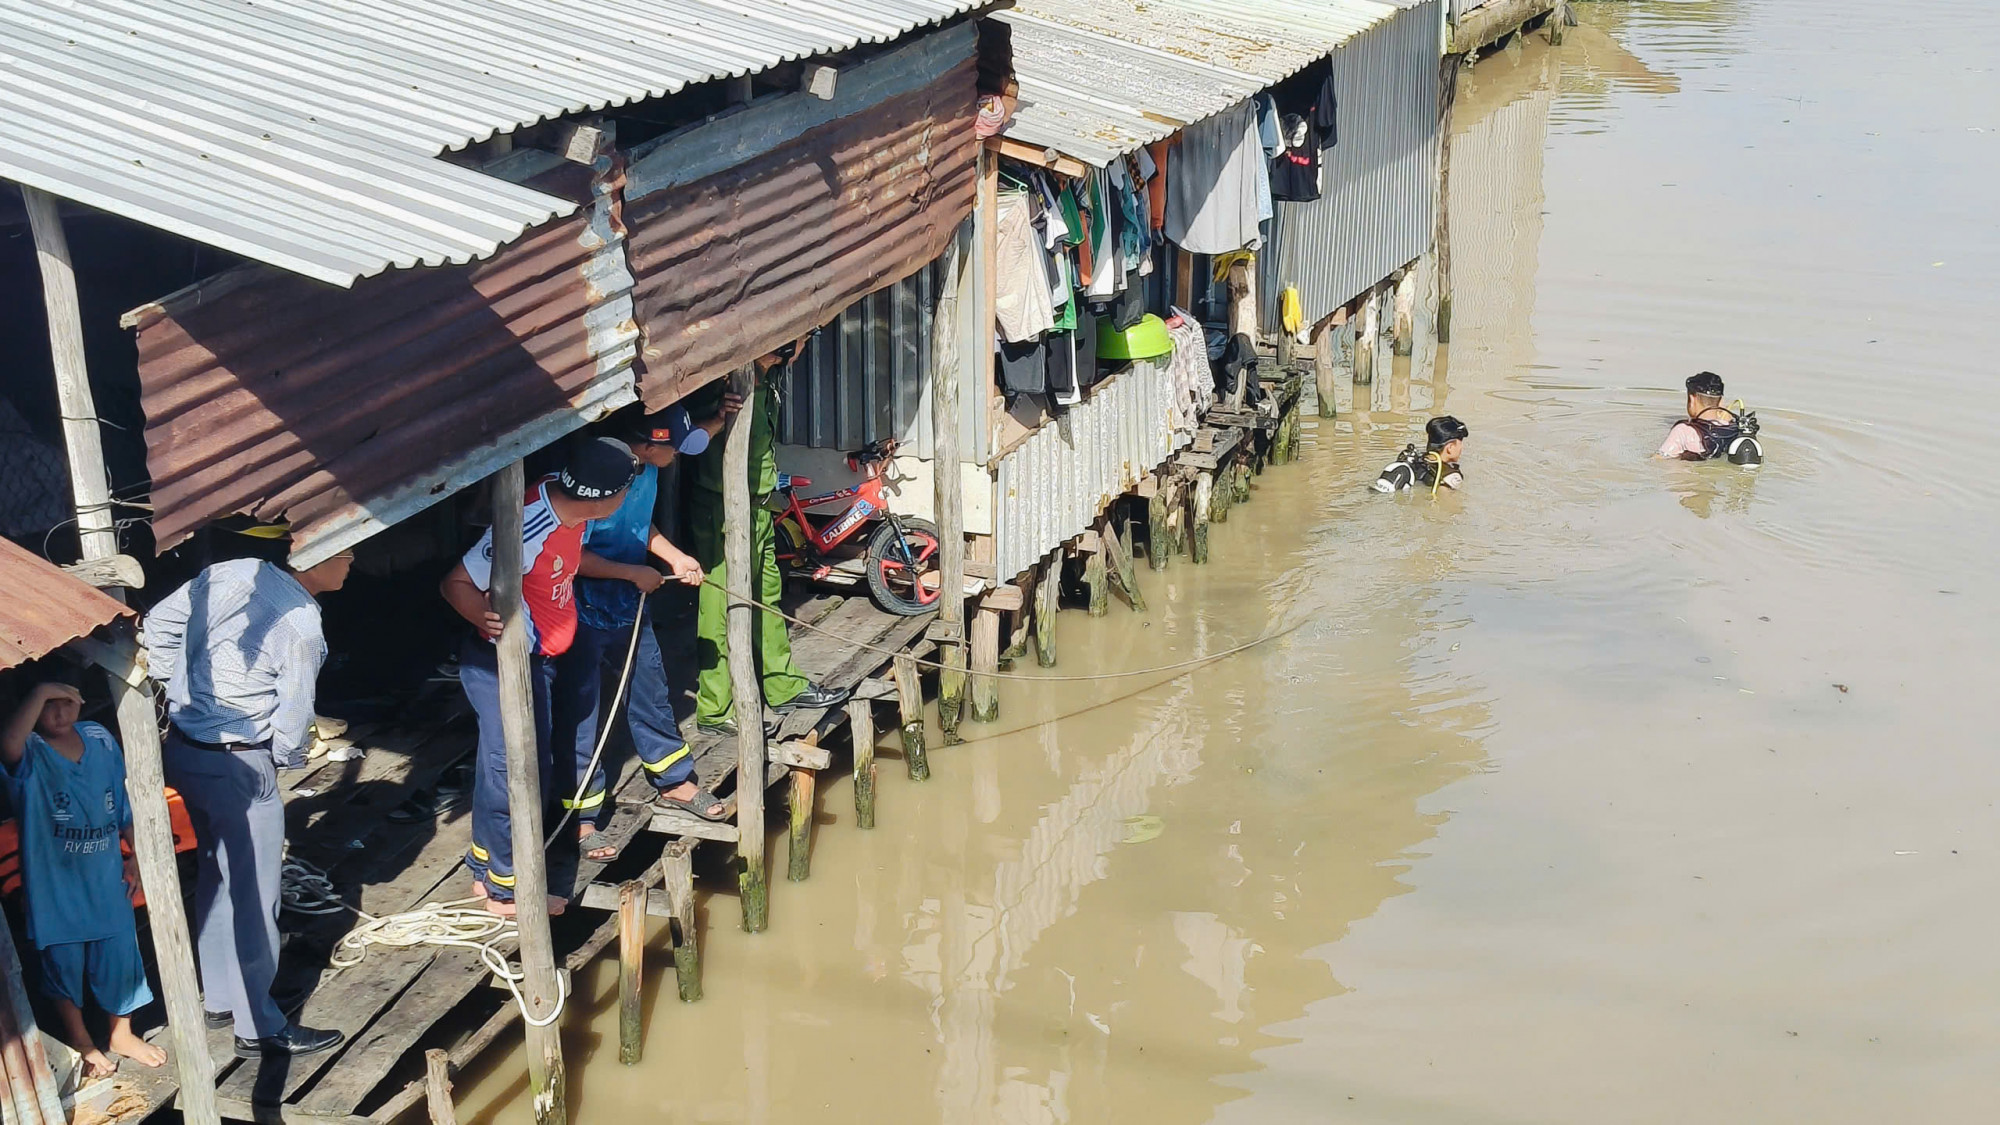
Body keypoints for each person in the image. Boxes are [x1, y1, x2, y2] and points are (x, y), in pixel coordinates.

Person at [142, 544, 353, 1058]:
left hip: (185, 749)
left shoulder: (232, 571)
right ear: (317, 556)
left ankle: (219, 998)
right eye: (347, 551)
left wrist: (182, 690)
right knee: (256, 894)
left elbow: (157, 626)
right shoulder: (301, 622)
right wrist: (282, 761)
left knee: (217, 873)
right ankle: (258, 1025)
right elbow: (294, 716)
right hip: (240, 760)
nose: (352, 562)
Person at [440, 437, 633, 916]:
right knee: (517, 769)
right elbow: (455, 582)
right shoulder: (527, 527)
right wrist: (483, 618)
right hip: (503, 665)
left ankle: (485, 869)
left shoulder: (568, 508)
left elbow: (570, 564)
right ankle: (510, 892)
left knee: (505, 765)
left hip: (540, 662)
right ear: (604, 498)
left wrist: (629, 572)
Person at [561, 405, 734, 857]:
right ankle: (581, 817)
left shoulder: (648, 468)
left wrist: (674, 557)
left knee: (650, 687)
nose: (678, 455)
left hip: (628, 599)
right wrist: (631, 572)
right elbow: (570, 555)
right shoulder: (598, 474)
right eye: (673, 447)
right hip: (578, 606)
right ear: (646, 444)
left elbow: (640, 523)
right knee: (582, 708)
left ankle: (674, 780)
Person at [0, 682, 166, 1077]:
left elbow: (124, 807)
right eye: (48, 705)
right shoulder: (30, 751)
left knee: (120, 957)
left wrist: (137, 858)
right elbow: (8, 746)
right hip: (54, 888)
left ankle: (121, 1033)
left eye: (67, 702)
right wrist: (40, 690)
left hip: (106, 879)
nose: (60, 713)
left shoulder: (99, 739)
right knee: (63, 966)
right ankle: (82, 1041)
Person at [687, 341, 850, 737]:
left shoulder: (770, 375)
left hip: (759, 503)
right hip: (722, 505)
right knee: (720, 602)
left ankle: (782, 686)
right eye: (800, 341)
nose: (803, 346)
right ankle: (715, 708)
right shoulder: (724, 382)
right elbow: (688, 440)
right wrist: (718, 415)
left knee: (767, 594)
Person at [1658, 371, 1763, 466]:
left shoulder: (1683, 431)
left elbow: (1660, 460)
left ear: (1692, 399)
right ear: (1721, 402)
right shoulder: (1735, 429)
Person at [1374, 416, 1469, 494]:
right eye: (1460, 443)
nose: (1462, 448)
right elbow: (1448, 507)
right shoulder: (1450, 476)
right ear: (1450, 448)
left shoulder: (1413, 459)